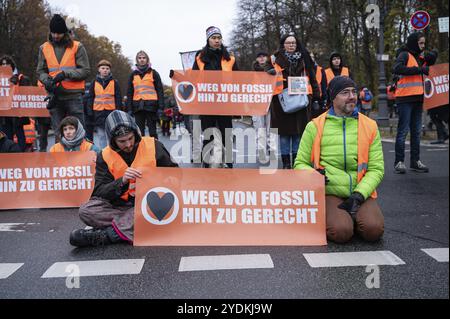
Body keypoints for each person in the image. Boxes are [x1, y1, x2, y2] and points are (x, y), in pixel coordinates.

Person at [294, 76, 385, 243]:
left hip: (360, 193)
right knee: (341, 232)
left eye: (353, 92)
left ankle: (355, 218)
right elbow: (299, 163)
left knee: (374, 231)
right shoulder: (314, 126)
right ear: (333, 98)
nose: (351, 96)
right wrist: (314, 175)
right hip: (330, 192)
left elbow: (376, 169)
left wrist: (359, 195)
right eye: (345, 93)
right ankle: (344, 221)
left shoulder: (370, 126)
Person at [70, 110, 178, 247]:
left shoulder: (153, 145)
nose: (128, 144)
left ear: (136, 134)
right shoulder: (104, 156)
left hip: (151, 204)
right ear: (112, 140)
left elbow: (175, 173)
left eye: (131, 138)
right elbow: (99, 193)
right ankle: (135, 225)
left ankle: (108, 235)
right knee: (86, 210)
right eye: (122, 141)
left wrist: (169, 181)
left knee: (157, 209)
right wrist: (122, 181)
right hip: (122, 207)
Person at [270, 33, 320, 169]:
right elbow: (263, 75)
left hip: (302, 101)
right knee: (285, 134)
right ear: (283, 45)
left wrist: (316, 97)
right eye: (288, 43)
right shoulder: (274, 59)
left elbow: (313, 77)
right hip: (281, 102)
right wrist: (268, 73)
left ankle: (297, 161)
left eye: (293, 43)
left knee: (299, 133)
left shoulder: (305, 58)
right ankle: (286, 163)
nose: (291, 45)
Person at [191, 26, 239, 168]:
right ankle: (207, 163)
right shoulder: (200, 59)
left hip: (225, 102)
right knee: (208, 135)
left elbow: (239, 79)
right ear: (208, 40)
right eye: (214, 38)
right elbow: (193, 78)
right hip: (206, 103)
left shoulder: (230, 58)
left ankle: (229, 163)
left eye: (219, 38)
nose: (217, 40)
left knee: (227, 134)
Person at [36, 14, 90, 137]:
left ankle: (80, 156)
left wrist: (66, 74)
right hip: (54, 95)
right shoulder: (44, 48)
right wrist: (46, 80)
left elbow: (86, 70)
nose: (55, 36)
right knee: (58, 133)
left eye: (59, 33)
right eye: (53, 33)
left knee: (79, 131)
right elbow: (40, 71)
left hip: (73, 95)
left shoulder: (77, 47)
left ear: (65, 33)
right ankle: (60, 156)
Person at [393, 32, 438, 174]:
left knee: (416, 132)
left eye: (424, 43)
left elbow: (429, 65)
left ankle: (415, 161)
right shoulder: (404, 55)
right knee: (403, 132)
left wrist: (433, 56)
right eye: (420, 43)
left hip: (418, 99)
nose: (423, 46)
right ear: (414, 43)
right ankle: (399, 162)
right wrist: (420, 69)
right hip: (405, 99)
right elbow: (397, 68)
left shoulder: (420, 57)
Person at [126, 51, 164, 138]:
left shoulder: (154, 73)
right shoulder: (132, 75)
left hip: (151, 106)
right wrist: (129, 109)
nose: (142, 60)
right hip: (137, 107)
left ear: (147, 60)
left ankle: (155, 150)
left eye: (144, 58)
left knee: (153, 132)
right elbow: (129, 93)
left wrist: (161, 108)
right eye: (140, 58)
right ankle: (141, 151)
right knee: (139, 133)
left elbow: (160, 91)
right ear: (137, 60)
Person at [86, 60, 122, 149]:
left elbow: (118, 98)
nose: (105, 70)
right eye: (103, 68)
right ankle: (104, 154)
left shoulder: (114, 82)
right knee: (101, 135)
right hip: (98, 113)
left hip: (111, 112)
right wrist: (89, 111)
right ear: (99, 69)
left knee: (112, 135)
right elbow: (90, 97)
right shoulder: (94, 82)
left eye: (107, 68)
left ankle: (112, 152)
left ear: (110, 70)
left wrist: (118, 111)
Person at [0, 55, 32, 151]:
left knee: (19, 133)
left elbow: (28, 92)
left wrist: (18, 81)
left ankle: (20, 155)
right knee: (7, 134)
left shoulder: (20, 78)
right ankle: (10, 155)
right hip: (4, 112)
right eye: (2, 64)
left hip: (17, 111)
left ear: (12, 65)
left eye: (7, 63)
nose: (5, 66)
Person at [252, 52, 273, 163]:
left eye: (264, 56)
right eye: (259, 57)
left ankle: (270, 151)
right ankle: (261, 153)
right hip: (257, 104)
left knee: (270, 129)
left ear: (267, 57)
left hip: (270, 103)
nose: (261, 58)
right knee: (259, 130)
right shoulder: (252, 72)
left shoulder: (273, 69)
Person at [309, 52, 328, 118]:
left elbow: (324, 85)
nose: (311, 58)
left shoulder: (320, 70)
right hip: (306, 99)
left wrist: (325, 99)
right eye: (309, 57)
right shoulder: (303, 69)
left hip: (319, 99)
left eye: (312, 57)